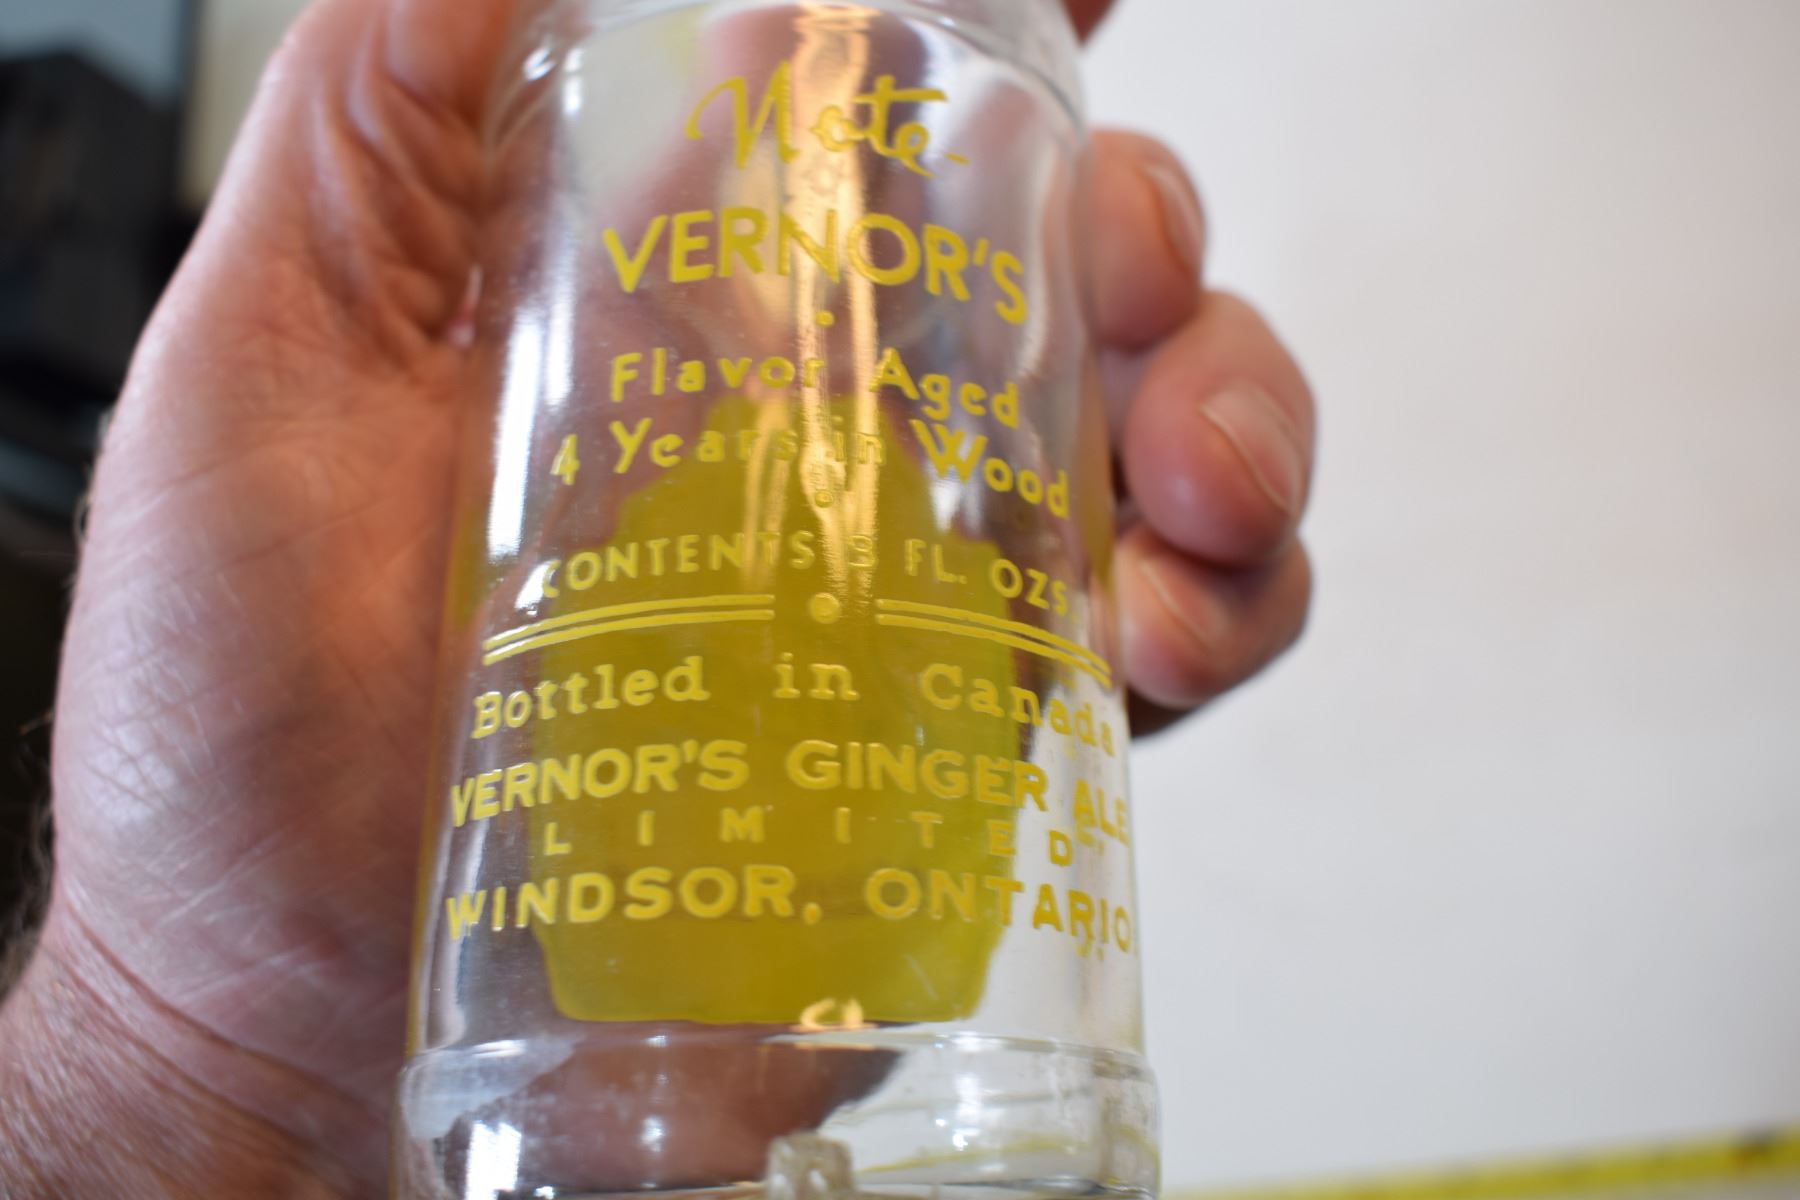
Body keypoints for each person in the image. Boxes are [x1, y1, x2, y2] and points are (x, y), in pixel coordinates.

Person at [0, 0, 1316, 1193]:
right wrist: (176, 1067)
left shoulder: (984, 45)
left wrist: (178, 1086)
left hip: (962, 1117)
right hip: (501, 1101)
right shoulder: (554, 35)